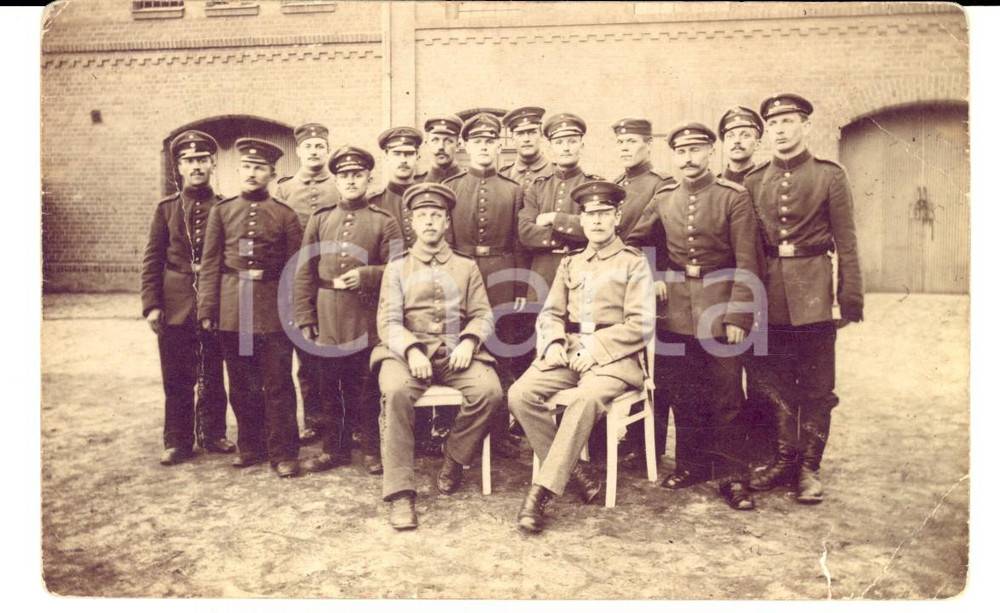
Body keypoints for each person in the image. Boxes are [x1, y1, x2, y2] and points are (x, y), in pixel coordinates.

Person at [627, 122, 760, 510]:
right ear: (674, 156)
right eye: (681, 152)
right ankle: (691, 465)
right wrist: (655, 275)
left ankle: (734, 476)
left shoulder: (732, 197)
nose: (688, 158)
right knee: (686, 395)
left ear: (710, 153)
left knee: (728, 394)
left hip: (720, 305)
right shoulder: (665, 196)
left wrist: (738, 315)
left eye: (696, 150)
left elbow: (749, 259)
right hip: (677, 312)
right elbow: (636, 243)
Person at [509, 180, 654, 533]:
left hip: (614, 358)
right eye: (590, 214)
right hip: (569, 351)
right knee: (519, 394)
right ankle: (576, 471)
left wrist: (595, 348)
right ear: (582, 219)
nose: (597, 221)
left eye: (605, 213)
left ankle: (540, 493)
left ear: (617, 217)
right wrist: (554, 341)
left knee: (586, 398)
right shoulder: (571, 262)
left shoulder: (633, 263)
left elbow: (641, 323)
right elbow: (551, 313)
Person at [742, 94, 863, 504]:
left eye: (789, 121)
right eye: (773, 123)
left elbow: (846, 240)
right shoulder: (754, 180)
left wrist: (849, 296)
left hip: (814, 291)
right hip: (770, 293)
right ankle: (783, 461)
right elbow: (748, 248)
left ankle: (809, 469)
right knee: (774, 384)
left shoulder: (830, 175)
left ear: (805, 126)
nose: (780, 129)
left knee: (816, 387)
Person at [370, 183, 502, 530]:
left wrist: (470, 342)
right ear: (412, 222)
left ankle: (455, 459)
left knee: (489, 392)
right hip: (405, 355)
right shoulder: (397, 268)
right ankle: (401, 493)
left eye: (436, 216)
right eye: (422, 216)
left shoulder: (466, 266)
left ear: (446, 223)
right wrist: (411, 348)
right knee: (396, 392)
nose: (429, 222)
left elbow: (482, 314)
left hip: (455, 353)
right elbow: (387, 321)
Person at [197, 137, 303, 478]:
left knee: (277, 383)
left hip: (272, 312)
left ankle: (284, 452)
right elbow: (211, 263)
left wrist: (295, 314)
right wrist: (208, 310)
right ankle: (250, 446)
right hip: (235, 311)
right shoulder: (223, 211)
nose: (253, 173)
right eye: (247, 167)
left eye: (260, 168)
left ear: (272, 174)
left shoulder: (285, 215)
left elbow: (295, 268)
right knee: (241, 384)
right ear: (238, 170)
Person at [294, 146, 402, 475]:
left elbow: (400, 269)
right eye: (344, 175)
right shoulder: (321, 218)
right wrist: (305, 316)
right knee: (329, 388)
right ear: (336, 180)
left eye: (357, 175)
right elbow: (304, 271)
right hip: (327, 315)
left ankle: (371, 449)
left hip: (365, 316)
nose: (351, 180)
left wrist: (369, 275)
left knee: (366, 388)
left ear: (369, 178)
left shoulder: (384, 220)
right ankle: (333, 450)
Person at [141, 129, 234, 465]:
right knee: (177, 376)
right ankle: (178, 440)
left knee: (213, 370)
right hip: (174, 303)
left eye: (202, 160)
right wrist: (151, 305)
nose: (196, 166)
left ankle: (214, 434)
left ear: (212, 164)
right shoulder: (165, 209)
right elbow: (152, 258)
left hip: (214, 300)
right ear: (179, 167)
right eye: (189, 160)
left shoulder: (225, 208)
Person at [443, 113, 526, 459]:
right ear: (466, 146)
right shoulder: (451, 187)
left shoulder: (513, 189)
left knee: (502, 356)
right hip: (459, 275)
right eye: (478, 142)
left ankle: (500, 435)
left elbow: (520, 242)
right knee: (457, 354)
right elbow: (443, 242)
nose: (484, 148)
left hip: (501, 277)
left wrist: (520, 285)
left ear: (498, 146)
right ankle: (458, 433)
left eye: (490, 142)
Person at [609, 117, 675, 463]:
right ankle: (629, 440)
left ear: (648, 145)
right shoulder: (616, 183)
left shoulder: (660, 184)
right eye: (620, 142)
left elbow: (662, 235)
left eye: (632, 142)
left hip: (650, 281)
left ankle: (649, 442)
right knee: (627, 355)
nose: (625, 148)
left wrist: (658, 273)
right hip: (618, 282)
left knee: (656, 363)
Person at [274, 122, 339, 446]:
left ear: (327, 150)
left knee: (336, 353)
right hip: (297, 280)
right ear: (298, 151)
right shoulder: (284, 189)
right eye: (308, 146)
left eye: (320, 146)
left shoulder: (340, 184)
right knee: (305, 356)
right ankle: (313, 421)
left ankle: (345, 422)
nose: (314, 151)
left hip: (331, 279)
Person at [717, 106, 773, 465]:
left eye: (746, 134)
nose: (738, 141)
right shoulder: (716, 184)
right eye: (731, 135)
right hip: (726, 289)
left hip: (765, 285)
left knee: (762, 374)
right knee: (725, 377)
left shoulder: (767, 181)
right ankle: (732, 454)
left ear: (757, 140)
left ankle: (764, 454)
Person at [517, 112, 602, 306]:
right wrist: (570, 234)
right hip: (543, 274)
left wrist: (554, 218)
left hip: (584, 271)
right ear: (549, 147)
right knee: (544, 330)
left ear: (582, 145)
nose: (566, 148)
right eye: (559, 142)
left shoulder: (594, 186)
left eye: (572, 141)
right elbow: (525, 233)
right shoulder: (537, 187)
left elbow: (596, 228)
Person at [368, 126, 423, 250]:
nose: (403, 160)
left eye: (409, 154)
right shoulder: (373, 203)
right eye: (396, 154)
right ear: (386, 156)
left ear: (418, 157)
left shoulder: (429, 199)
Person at [499, 106, 551, 189]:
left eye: (532, 133)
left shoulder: (556, 173)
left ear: (541, 137)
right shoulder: (504, 176)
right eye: (520, 134)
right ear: (512, 139)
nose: (526, 139)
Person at [718, 107, 765, 185]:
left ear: (757, 144)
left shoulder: (766, 184)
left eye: (745, 136)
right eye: (730, 136)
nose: (737, 141)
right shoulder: (714, 187)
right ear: (724, 145)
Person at [415, 115, 464, 184]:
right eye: (435, 140)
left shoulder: (469, 183)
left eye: (448, 141)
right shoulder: (416, 184)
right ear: (427, 145)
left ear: (458, 146)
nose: (441, 146)